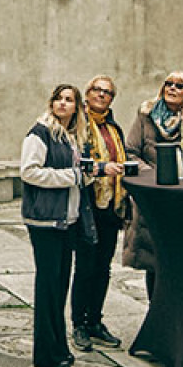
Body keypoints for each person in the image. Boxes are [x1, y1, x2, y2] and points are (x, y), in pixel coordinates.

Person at [19, 83, 91, 367]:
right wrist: (72, 175)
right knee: (48, 286)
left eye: (69, 100)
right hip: (45, 220)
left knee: (60, 285)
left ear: (76, 107)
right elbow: (29, 172)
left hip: (67, 220)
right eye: (59, 99)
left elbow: (76, 179)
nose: (62, 104)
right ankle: (46, 354)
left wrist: (89, 174)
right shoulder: (39, 133)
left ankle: (59, 348)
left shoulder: (73, 137)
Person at [120, 71, 183, 301]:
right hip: (152, 197)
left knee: (180, 259)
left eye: (179, 86)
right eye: (168, 84)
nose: (172, 88)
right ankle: (156, 314)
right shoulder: (145, 117)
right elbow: (130, 152)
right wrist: (153, 177)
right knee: (153, 260)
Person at [71, 75, 128, 351]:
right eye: (97, 90)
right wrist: (102, 168)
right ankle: (78, 324)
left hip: (111, 206)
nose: (102, 95)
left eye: (107, 92)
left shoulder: (113, 126)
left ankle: (95, 320)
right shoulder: (78, 125)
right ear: (88, 92)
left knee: (103, 267)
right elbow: (77, 160)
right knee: (85, 266)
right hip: (87, 203)